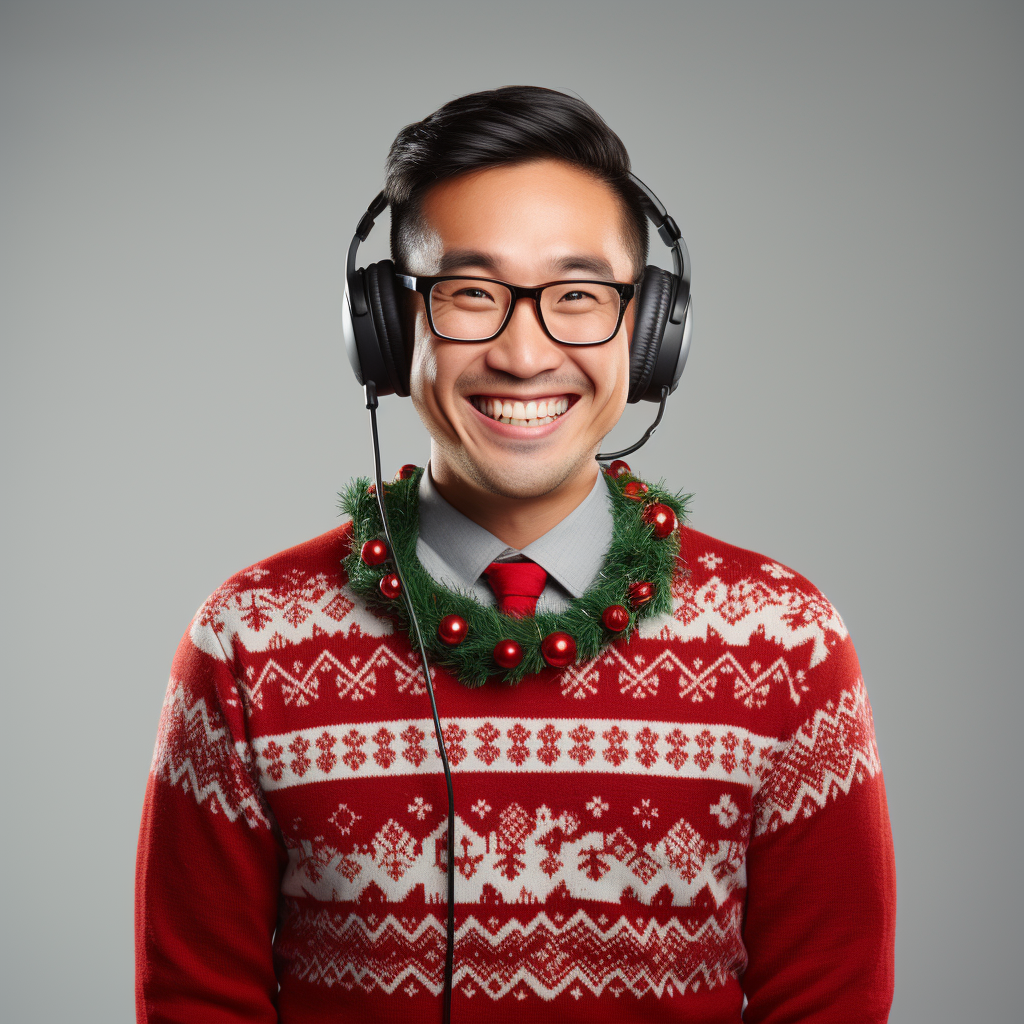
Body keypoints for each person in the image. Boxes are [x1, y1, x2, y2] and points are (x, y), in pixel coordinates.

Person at [135, 86, 895, 1023]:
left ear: (653, 331)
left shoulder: (788, 644)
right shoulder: (247, 641)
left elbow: (829, 1004)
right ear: (384, 324)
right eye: (470, 294)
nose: (524, 353)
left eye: (579, 296)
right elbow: (196, 1003)